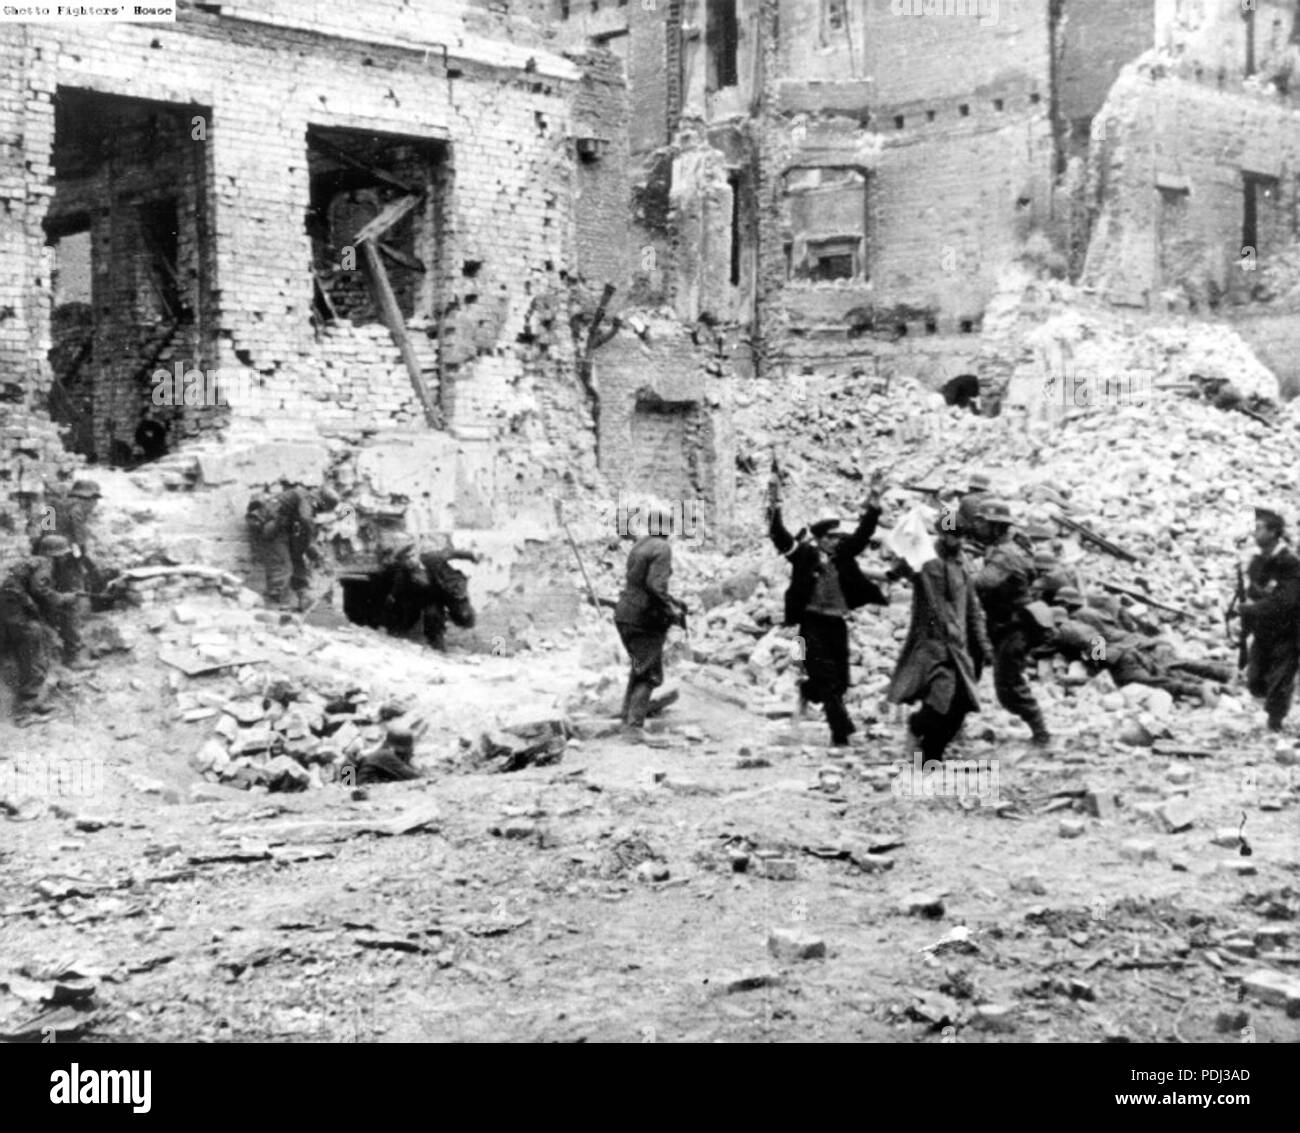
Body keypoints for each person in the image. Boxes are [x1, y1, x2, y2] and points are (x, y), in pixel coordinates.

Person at [768, 469, 888, 747]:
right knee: (830, 681)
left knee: (841, 682)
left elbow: (864, 532)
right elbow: (779, 535)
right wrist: (775, 505)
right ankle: (842, 735)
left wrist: (874, 500)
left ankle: (807, 690)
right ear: (821, 538)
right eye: (832, 537)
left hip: (837, 625)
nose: (838, 540)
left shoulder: (845, 555)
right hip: (809, 626)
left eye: (838, 537)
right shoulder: (805, 556)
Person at [888, 504, 993, 761]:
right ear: (941, 535)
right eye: (950, 534)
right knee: (940, 702)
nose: (955, 540)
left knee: (961, 707)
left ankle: (931, 756)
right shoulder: (924, 560)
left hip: (958, 647)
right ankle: (919, 733)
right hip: (931, 645)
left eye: (959, 535)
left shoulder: (962, 569)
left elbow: (972, 611)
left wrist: (983, 646)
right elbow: (898, 566)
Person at [972, 498, 1052, 746]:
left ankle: (1040, 731)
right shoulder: (1003, 547)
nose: (978, 527)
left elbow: (980, 583)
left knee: (1008, 686)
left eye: (982, 523)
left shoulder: (1006, 555)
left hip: (1013, 627)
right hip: (1003, 625)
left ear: (996, 526)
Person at [613, 505, 688, 743]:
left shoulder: (640, 545)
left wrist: (672, 602)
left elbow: (639, 582)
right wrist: (672, 611)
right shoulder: (662, 548)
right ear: (668, 529)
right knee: (650, 674)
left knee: (639, 667)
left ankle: (627, 719)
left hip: (625, 614)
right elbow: (656, 587)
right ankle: (634, 728)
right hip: (643, 620)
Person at [0, 534, 86, 718]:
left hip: (13, 612)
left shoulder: (34, 562)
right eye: (63, 554)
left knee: (37, 648)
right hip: (18, 617)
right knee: (34, 655)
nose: (64, 558)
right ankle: (24, 713)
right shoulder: (44, 566)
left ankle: (33, 703)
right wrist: (65, 598)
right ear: (57, 555)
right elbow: (42, 591)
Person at [1240, 502, 1300, 731]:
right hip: (1263, 629)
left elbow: (1287, 601)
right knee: (1255, 680)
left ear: (1273, 532)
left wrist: (1251, 609)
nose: (1255, 532)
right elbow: (1253, 591)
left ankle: (1275, 723)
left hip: (1287, 631)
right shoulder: (1257, 561)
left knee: (1280, 679)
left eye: (1259, 528)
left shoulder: (1290, 563)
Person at [246, 484, 341, 609]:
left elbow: (302, 540)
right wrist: (314, 550)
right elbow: (306, 521)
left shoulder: (304, 501)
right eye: (322, 509)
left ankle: (304, 595)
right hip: (266, 525)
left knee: (297, 557)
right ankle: (275, 602)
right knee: (282, 563)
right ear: (320, 501)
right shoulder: (305, 498)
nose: (319, 512)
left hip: (281, 527)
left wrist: (314, 553)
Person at [381, 539, 481, 650]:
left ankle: (459, 618)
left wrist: (472, 556)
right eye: (405, 559)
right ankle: (438, 646)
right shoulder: (404, 575)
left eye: (411, 556)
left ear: (416, 555)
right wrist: (391, 598)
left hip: (451, 589)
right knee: (432, 615)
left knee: (465, 617)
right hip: (432, 597)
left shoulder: (432, 558)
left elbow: (452, 553)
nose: (409, 561)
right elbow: (397, 589)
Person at [345, 726, 422, 785]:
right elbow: (415, 777)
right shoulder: (386, 756)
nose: (411, 751)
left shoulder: (379, 753)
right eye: (409, 749)